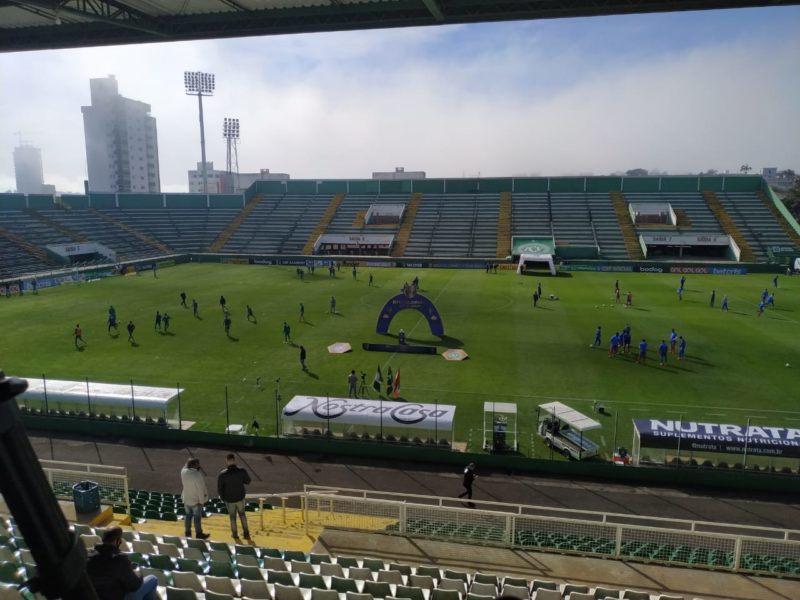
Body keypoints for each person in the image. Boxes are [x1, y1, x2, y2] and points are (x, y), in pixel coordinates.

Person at [86, 526, 160, 600]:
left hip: (96, 596)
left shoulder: (88, 554)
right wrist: (138, 573)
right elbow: (134, 586)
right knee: (153, 579)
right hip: (117, 596)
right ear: (118, 541)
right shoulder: (120, 558)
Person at [217, 453, 251, 540]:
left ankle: (235, 534)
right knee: (242, 515)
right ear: (234, 460)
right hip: (240, 498)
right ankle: (246, 534)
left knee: (232, 517)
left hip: (229, 500)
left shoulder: (222, 474)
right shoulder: (241, 471)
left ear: (227, 461)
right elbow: (248, 481)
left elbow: (220, 489)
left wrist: (223, 499)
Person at [181, 458, 210, 539]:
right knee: (197, 519)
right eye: (198, 464)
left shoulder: (183, 472)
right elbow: (201, 489)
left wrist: (188, 462)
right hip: (196, 501)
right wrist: (202, 501)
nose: (199, 466)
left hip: (186, 499)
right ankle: (199, 534)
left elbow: (184, 467)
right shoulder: (197, 475)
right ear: (195, 465)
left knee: (188, 517)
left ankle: (187, 533)